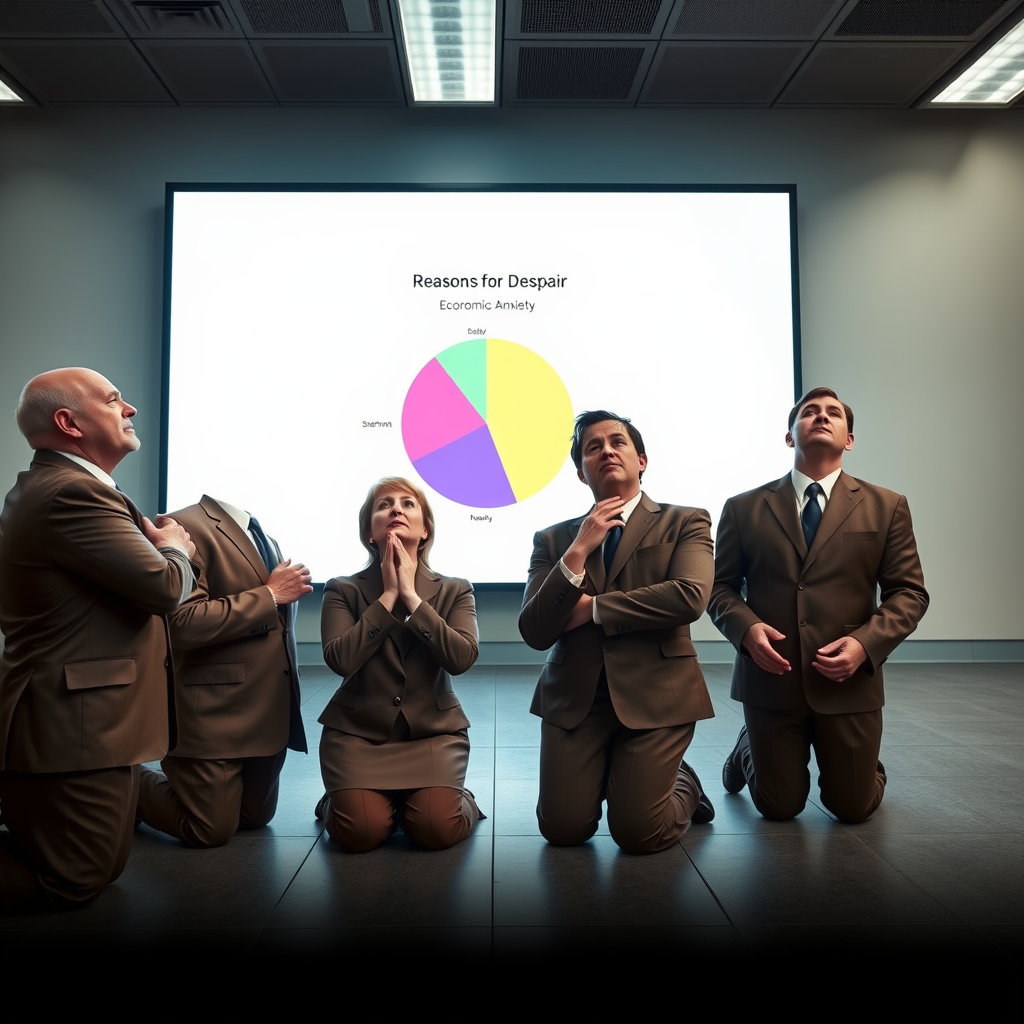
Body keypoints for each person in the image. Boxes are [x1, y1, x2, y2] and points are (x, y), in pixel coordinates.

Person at [0, 367, 195, 911]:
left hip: (90, 716)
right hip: (75, 721)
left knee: (96, 869)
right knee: (75, 878)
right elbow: (163, 587)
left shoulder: (65, 487)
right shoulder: (71, 494)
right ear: (69, 422)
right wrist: (178, 547)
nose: (129, 408)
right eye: (113, 400)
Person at [709, 387, 929, 822]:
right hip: (771, 680)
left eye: (833, 413)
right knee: (779, 807)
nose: (821, 417)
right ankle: (747, 745)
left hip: (848, 683)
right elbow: (720, 589)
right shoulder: (743, 508)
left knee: (852, 808)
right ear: (791, 437)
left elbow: (910, 593)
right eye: (809, 412)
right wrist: (746, 630)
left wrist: (866, 645)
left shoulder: (886, 507)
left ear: (849, 439)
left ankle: (861, 770)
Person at [519, 411, 716, 855]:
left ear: (641, 460)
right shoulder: (552, 541)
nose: (606, 450)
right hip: (574, 699)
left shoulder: (685, 521)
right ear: (579, 471)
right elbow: (535, 629)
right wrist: (578, 549)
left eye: (618, 442)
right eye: (593, 447)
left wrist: (593, 609)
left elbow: (688, 596)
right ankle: (629, 775)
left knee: (638, 835)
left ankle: (682, 782)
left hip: (657, 695)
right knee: (563, 830)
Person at [315, 477, 482, 852]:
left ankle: (459, 798)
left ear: (425, 530)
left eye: (408, 504)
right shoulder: (342, 589)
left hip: (433, 735)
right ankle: (335, 801)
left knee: (435, 830)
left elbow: (461, 658)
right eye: (384, 504)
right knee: (359, 834)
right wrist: (389, 597)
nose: (395, 509)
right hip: (357, 734)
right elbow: (340, 660)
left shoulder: (456, 589)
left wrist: (412, 598)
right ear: (369, 532)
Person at [136, 496, 312, 846]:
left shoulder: (265, 537)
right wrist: (270, 595)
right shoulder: (181, 527)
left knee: (255, 819)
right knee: (209, 829)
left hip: (268, 715)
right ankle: (126, 782)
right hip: (213, 715)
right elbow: (181, 625)